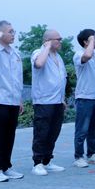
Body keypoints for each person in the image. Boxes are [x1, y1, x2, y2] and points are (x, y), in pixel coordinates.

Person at [30, 29, 67, 176]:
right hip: (43, 101)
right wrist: (46, 47)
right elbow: (39, 64)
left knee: (53, 132)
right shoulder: (38, 53)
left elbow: (61, 79)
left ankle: (47, 161)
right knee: (42, 132)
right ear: (48, 40)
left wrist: (62, 99)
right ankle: (37, 163)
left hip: (57, 101)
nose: (60, 41)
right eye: (58, 39)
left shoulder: (58, 57)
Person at [0, 21, 24, 182]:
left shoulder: (15, 53)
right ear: (0, 33)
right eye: (10, 31)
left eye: (14, 31)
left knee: (9, 136)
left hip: (13, 101)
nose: (13, 34)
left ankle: (5, 166)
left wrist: (20, 99)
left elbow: (17, 78)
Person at [73, 29, 95, 168]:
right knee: (82, 129)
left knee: (94, 129)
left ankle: (91, 154)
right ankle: (78, 156)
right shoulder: (79, 54)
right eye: (93, 38)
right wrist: (91, 41)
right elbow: (86, 56)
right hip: (84, 98)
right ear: (86, 41)